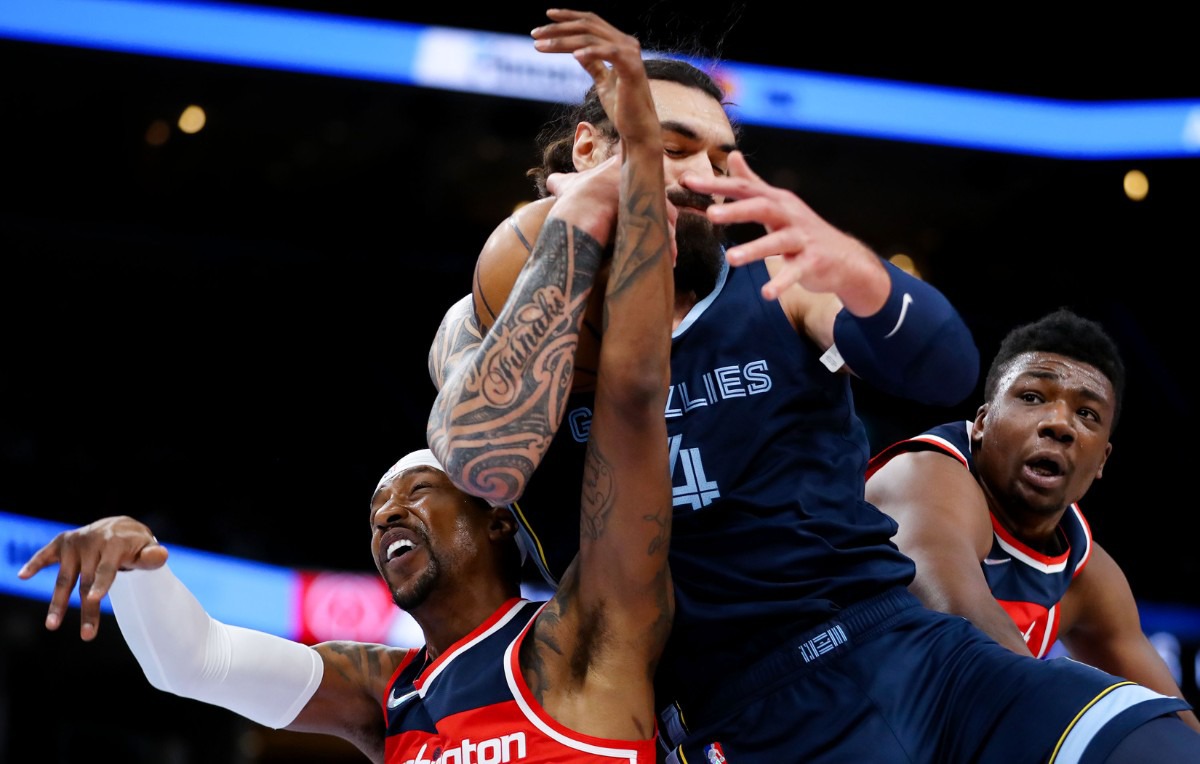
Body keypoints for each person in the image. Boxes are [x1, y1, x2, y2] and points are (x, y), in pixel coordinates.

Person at [428, 9, 1200, 762]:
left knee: (1150, 740)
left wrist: (862, 275)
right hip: (740, 714)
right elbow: (480, 462)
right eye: (671, 147)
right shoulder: (486, 322)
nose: (703, 178)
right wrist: (579, 233)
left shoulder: (779, 284)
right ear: (593, 145)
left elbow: (946, 374)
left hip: (903, 647)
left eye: (721, 158)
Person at [19, 12, 677, 762]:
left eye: (415, 492)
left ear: (498, 519)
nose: (387, 513)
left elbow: (633, 401)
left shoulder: (581, 635)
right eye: (376, 512)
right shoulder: (382, 690)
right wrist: (132, 566)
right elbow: (195, 661)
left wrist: (624, 182)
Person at [865, 306, 1200, 734]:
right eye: (1032, 398)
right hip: (799, 720)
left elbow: (1171, 721)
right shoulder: (925, 475)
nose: (1060, 424)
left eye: (1087, 415)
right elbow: (957, 619)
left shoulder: (1086, 576)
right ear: (983, 422)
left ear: (1102, 460)